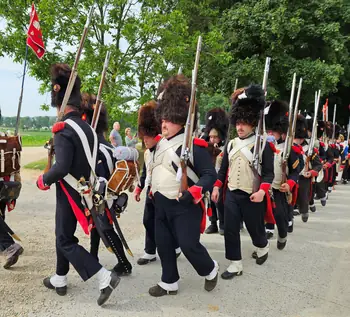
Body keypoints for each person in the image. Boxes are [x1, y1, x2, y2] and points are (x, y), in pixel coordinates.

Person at [36, 63, 120, 306]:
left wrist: (43, 179)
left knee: (63, 239)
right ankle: (60, 277)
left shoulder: (62, 129)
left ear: (60, 101)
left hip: (69, 190)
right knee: (62, 233)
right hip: (83, 191)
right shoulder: (88, 128)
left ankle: (104, 277)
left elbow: (61, 168)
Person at [148, 74, 219, 296]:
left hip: (184, 204)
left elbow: (210, 175)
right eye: (163, 118)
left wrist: (195, 191)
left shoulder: (195, 146)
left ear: (181, 119)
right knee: (164, 245)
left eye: (168, 119)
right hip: (160, 203)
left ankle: (210, 269)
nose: (163, 123)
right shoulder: (159, 145)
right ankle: (168, 281)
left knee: (188, 245)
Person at [212, 85, 275, 280]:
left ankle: (262, 247)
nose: (240, 127)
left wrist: (263, 192)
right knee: (230, 228)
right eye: (238, 122)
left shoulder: (263, 144)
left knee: (255, 230)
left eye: (244, 123)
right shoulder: (231, 144)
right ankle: (235, 263)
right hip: (231, 193)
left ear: (253, 123)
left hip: (252, 194)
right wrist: (216, 186)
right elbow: (223, 170)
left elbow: (268, 174)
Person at [81, 93, 132, 276]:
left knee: (106, 229)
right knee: (98, 227)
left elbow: (100, 179)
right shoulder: (108, 147)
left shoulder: (97, 149)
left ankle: (124, 264)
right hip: (108, 196)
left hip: (103, 197)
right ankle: (93, 257)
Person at [133, 100, 181, 265]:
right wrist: (139, 188)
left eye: (147, 137)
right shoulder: (147, 153)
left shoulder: (167, 148)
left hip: (166, 190)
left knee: (166, 222)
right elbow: (146, 171)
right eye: (143, 137)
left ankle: (175, 246)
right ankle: (150, 251)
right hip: (152, 189)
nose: (145, 141)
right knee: (148, 220)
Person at [264, 100, 303, 247]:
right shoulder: (262, 147)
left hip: (279, 188)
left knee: (280, 215)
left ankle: (282, 234)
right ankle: (264, 240)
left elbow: (295, 171)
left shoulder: (290, 149)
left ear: (280, 132)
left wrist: (290, 184)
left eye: (273, 132)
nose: (270, 134)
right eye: (269, 132)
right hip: (264, 187)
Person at [203, 108, 229, 235]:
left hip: (221, 177)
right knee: (210, 203)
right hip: (210, 176)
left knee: (221, 202)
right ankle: (213, 223)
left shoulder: (226, 147)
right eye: (211, 136)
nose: (212, 139)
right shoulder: (206, 146)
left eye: (215, 137)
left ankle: (223, 224)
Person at [293, 114, 322, 223]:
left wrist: (311, 172)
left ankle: (304, 211)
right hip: (290, 176)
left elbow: (318, 165)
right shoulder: (288, 147)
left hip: (303, 176)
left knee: (303, 196)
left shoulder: (310, 149)